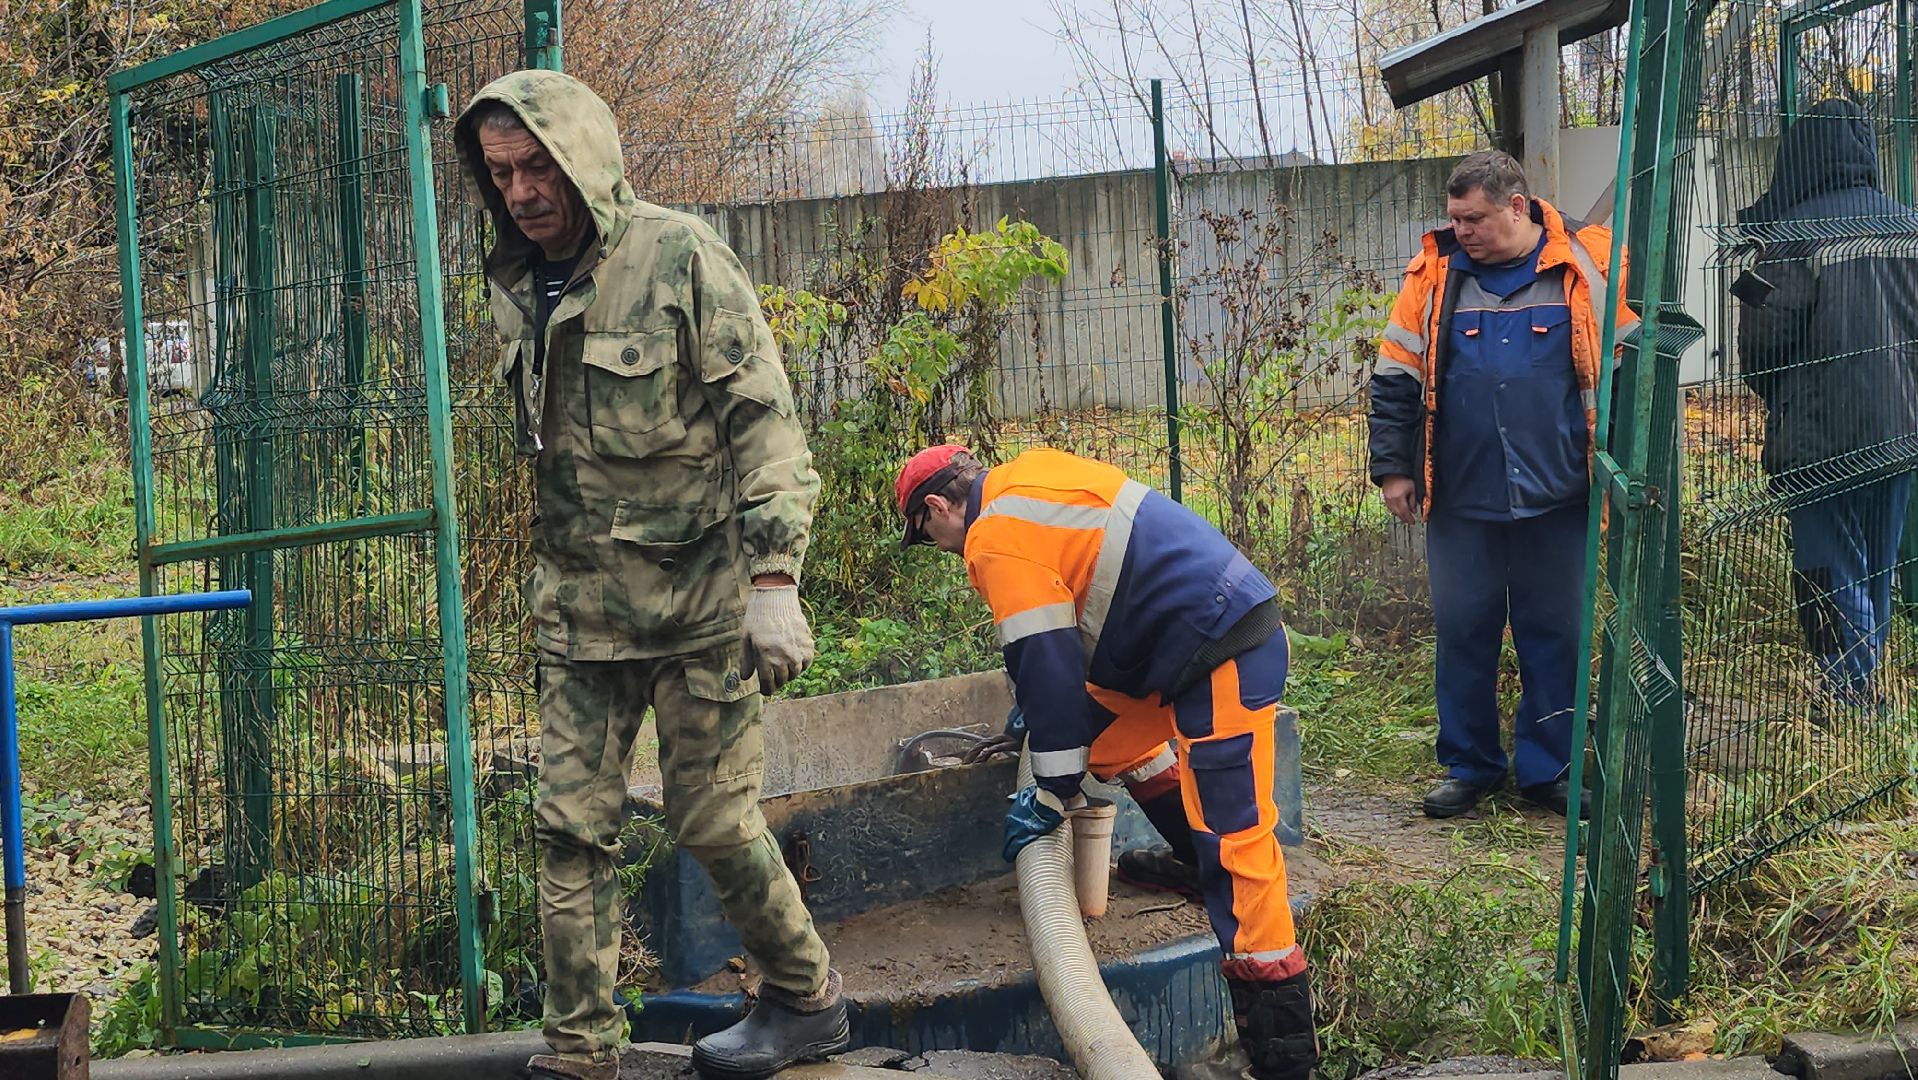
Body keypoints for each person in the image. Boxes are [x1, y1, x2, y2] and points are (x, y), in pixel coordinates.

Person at [454, 71, 845, 1080]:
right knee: (568, 833)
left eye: (539, 165)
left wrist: (774, 582)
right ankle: (580, 1052)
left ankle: (805, 997)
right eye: (502, 175)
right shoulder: (515, 285)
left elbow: (766, 426)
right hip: (580, 614)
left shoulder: (678, 256)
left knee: (711, 819)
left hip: (700, 603)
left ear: (585, 155)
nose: (524, 191)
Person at [895, 444, 1317, 1080]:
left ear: (936, 508)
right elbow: (1073, 624)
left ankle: (1282, 1060)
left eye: (926, 537)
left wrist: (1048, 792)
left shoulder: (992, 539)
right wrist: (1045, 721)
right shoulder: (1025, 478)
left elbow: (1048, 658)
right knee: (1111, 741)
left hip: (1221, 653)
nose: (939, 550)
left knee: (1238, 849)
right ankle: (1188, 858)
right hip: (1177, 645)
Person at [1368, 150, 1637, 819]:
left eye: (1475, 217)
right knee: (1465, 633)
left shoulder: (1586, 270)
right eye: (1455, 217)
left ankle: (1550, 770)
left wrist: (1624, 467)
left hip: (1560, 498)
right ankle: (1470, 765)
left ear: (1516, 207)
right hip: (1461, 499)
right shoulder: (1434, 278)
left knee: (1557, 635)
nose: (1462, 229)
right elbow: (1395, 380)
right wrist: (1394, 469)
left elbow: (1632, 372)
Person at [1734, 98, 1918, 704]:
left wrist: (1782, 398)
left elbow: (1763, 347)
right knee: (1875, 565)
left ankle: (1851, 692)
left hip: (1819, 434)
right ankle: (1861, 686)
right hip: (1901, 429)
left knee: (1825, 563)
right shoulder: (1907, 226)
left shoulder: (1793, 236)